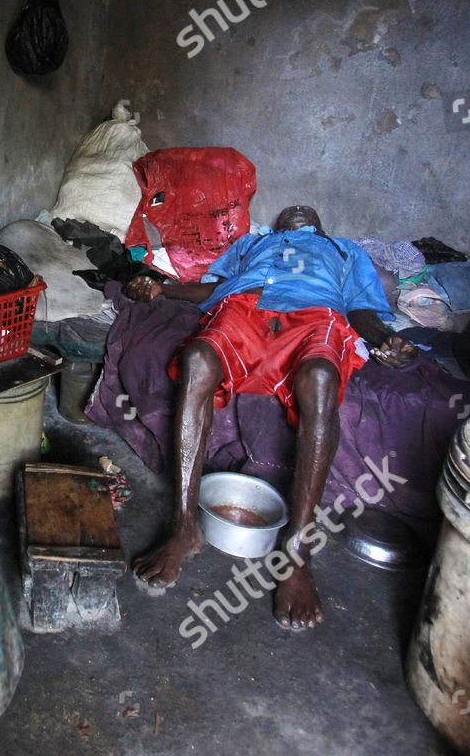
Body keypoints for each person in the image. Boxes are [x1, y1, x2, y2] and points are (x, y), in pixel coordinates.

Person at [124, 204, 417, 630]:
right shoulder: (252, 244)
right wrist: (161, 289)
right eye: (289, 211)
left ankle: (297, 553)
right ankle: (184, 526)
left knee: (320, 377)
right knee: (198, 359)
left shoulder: (344, 250)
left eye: (306, 210)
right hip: (245, 307)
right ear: (277, 225)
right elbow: (213, 289)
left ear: (321, 225)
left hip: (317, 315)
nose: (297, 209)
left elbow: (361, 308)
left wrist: (384, 339)